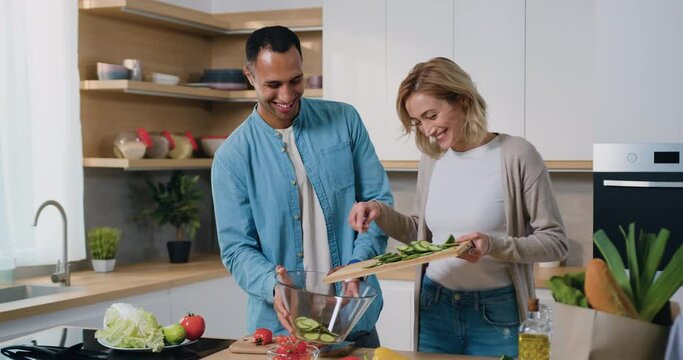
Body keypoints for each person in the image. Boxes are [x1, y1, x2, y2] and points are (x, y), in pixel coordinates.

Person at [348, 57, 568, 357]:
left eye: (431, 115)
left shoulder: (516, 155)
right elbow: (422, 235)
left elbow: (555, 243)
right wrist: (380, 212)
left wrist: (493, 245)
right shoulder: (433, 159)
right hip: (434, 306)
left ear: (463, 100)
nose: (426, 130)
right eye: (418, 122)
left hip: (497, 313)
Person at [211, 26, 393, 348]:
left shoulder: (345, 121)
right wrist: (273, 284)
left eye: (295, 81)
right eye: (273, 84)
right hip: (281, 334)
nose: (286, 95)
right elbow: (237, 250)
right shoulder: (232, 158)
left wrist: (357, 267)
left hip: (355, 323)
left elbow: (378, 203)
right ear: (249, 76)